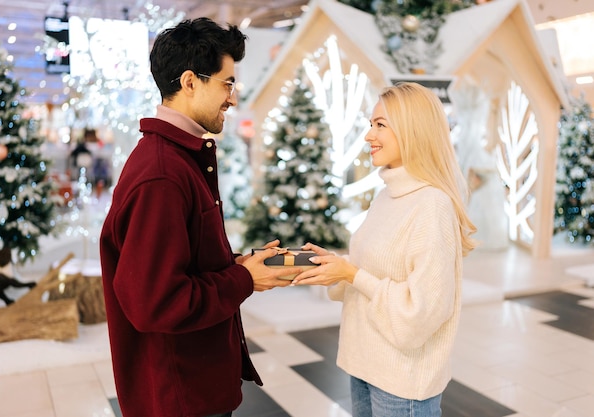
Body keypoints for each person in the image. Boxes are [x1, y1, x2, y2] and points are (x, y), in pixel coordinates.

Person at [99, 17, 301, 417]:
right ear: (190, 82)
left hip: (192, 385)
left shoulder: (178, 159)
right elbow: (156, 302)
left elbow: (182, 263)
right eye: (227, 83)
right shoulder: (162, 174)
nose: (232, 97)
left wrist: (238, 266)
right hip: (181, 395)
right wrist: (243, 279)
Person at [291, 82, 477, 417]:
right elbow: (373, 268)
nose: (368, 136)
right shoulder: (387, 194)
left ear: (412, 130)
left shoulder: (432, 205)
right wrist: (339, 266)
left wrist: (351, 274)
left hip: (402, 382)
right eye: (370, 124)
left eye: (380, 125)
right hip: (364, 364)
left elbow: (422, 313)